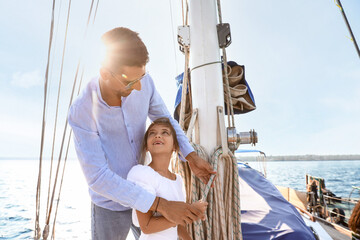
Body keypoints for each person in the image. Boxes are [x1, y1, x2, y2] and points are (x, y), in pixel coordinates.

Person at [68, 27, 215, 240]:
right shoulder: (82, 111)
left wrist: (190, 156)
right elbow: (98, 177)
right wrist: (161, 205)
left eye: (142, 77)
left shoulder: (144, 82)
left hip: (149, 189)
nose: (138, 87)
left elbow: (167, 120)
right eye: (130, 81)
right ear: (105, 74)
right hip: (110, 203)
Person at [127, 117, 207, 240]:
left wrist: (187, 215)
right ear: (146, 146)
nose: (158, 136)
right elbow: (146, 226)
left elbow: (178, 226)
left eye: (165, 132)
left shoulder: (178, 180)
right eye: (152, 133)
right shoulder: (142, 174)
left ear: (175, 146)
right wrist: (187, 211)